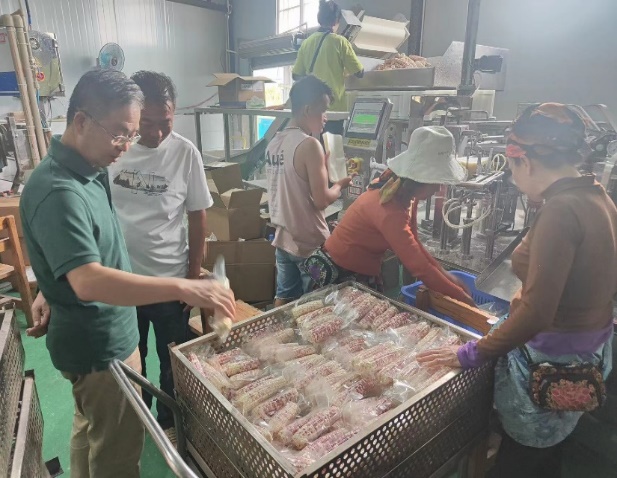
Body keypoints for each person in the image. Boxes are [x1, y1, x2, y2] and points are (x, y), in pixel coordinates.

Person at [21, 69, 235, 478]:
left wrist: (52, 283)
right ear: (81, 121)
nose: (127, 145)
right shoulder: (59, 188)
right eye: (121, 134)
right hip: (100, 341)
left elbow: (79, 246)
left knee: (93, 428)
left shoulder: (89, 168)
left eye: (131, 134)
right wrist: (184, 285)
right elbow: (87, 280)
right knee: (116, 452)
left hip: (108, 332)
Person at [417, 103, 616, 478]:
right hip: (587, 351)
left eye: (511, 168)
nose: (513, 178)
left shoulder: (562, 210)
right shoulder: (597, 196)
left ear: (526, 160)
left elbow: (538, 311)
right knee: (548, 453)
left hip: (550, 361)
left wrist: (471, 353)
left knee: (521, 461)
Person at [108, 71, 212, 431]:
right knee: (131, 359)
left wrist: (193, 276)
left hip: (170, 282)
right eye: (147, 123)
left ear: (175, 112)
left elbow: (198, 217)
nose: (155, 133)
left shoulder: (185, 153)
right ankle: (138, 419)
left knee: (173, 361)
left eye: (165, 123)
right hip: (123, 282)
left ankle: (170, 422)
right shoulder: (115, 151)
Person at [311, 126, 473, 304]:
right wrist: (462, 299)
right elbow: (419, 267)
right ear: (418, 180)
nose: (438, 188)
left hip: (362, 268)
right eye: (436, 182)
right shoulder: (389, 208)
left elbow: (416, 246)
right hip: (341, 273)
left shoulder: (402, 193)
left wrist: (448, 278)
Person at [266, 75, 352, 306]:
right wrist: (340, 185)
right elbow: (321, 200)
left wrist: (321, 168)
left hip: (283, 239)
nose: (325, 117)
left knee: (284, 297)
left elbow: (294, 182)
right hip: (308, 244)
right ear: (307, 110)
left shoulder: (274, 142)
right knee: (315, 306)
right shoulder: (310, 145)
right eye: (323, 110)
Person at [292, 0, 364, 135]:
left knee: (312, 143)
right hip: (333, 109)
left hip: (311, 110)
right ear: (336, 21)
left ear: (319, 18)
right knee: (331, 146)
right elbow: (360, 72)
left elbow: (295, 75)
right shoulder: (340, 42)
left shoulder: (306, 43)